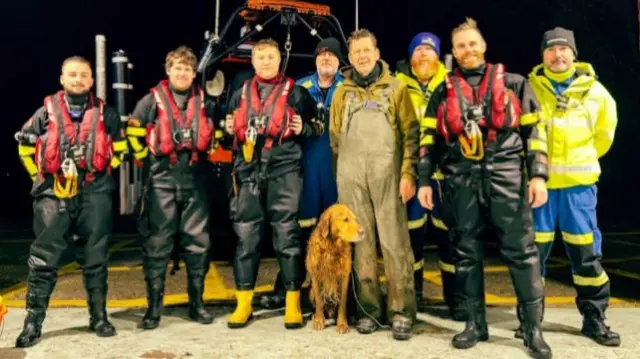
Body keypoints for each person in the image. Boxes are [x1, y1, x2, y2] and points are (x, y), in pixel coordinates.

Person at [416, 18, 551, 358]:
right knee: (466, 253)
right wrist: (423, 181)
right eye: (461, 46)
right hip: (461, 180)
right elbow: (426, 142)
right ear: (454, 52)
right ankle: (475, 324)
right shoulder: (442, 90)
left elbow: (535, 134)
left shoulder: (515, 84)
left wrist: (538, 176)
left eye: (472, 43)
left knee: (522, 252)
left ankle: (532, 328)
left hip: (506, 175)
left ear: (484, 45)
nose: (468, 50)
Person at [14, 56, 128, 347]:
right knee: (44, 259)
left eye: (84, 75)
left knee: (96, 257)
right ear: (62, 79)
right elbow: (25, 147)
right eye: (72, 74)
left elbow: (123, 149)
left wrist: (98, 173)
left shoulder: (107, 115)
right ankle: (33, 321)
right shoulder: (45, 113)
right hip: (53, 194)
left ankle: (99, 316)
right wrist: (38, 179)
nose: (78, 79)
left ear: (91, 80)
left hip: (94, 194)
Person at [525, 27, 620, 347]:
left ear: (574, 54)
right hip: (540, 189)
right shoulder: (530, 89)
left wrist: (583, 160)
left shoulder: (595, 92)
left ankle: (594, 317)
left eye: (563, 49)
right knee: (534, 256)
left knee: (586, 254)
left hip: (579, 188)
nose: (557, 55)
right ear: (542, 56)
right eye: (550, 50)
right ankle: (531, 320)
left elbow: (604, 135)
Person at [223, 38, 321, 329]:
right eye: (260, 57)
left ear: (280, 60)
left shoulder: (298, 95)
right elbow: (226, 124)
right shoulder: (239, 93)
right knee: (247, 238)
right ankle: (244, 305)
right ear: (252, 61)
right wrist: (227, 127)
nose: (266, 62)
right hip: (248, 171)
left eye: (271, 56)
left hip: (284, 171)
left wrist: (305, 127)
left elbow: (318, 126)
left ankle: (292, 303)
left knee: (287, 236)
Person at [330, 28, 418, 340]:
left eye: (367, 50)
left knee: (395, 244)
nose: (362, 57)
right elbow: (335, 137)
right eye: (356, 52)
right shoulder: (342, 93)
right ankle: (368, 311)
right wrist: (346, 174)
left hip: (388, 176)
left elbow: (411, 133)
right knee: (360, 244)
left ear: (377, 53)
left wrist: (408, 174)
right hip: (352, 176)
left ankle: (401, 311)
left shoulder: (396, 89)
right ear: (350, 58)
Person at [126, 46, 215, 330]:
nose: (182, 73)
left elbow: (219, 134)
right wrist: (147, 163)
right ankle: (153, 309)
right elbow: (132, 133)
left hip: (195, 180)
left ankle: (197, 305)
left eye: (187, 69)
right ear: (168, 70)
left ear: (193, 73)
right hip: (161, 181)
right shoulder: (150, 101)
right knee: (157, 245)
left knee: (198, 243)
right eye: (177, 67)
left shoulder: (205, 101)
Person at [259, 37, 344, 310]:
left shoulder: (349, 88)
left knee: (337, 233)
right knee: (299, 232)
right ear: (315, 60)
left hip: (338, 170)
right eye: (321, 55)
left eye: (332, 55)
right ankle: (288, 289)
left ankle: (339, 296)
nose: (326, 59)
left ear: (340, 61)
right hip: (304, 169)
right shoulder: (299, 87)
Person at [394, 32, 463, 319]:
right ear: (410, 56)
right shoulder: (397, 86)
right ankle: (415, 296)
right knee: (411, 242)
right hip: (411, 174)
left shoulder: (452, 84)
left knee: (451, 241)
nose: (424, 55)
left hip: (446, 177)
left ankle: (455, 298)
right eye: (418, 50)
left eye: (429, 50)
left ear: (438, 56)